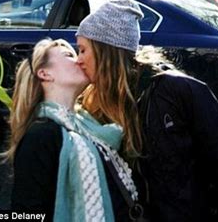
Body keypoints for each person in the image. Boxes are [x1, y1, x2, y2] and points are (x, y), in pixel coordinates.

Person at [77, 0, 218, 222]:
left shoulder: (180, 92)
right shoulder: (94, 102)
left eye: (82, 50)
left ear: (105, 51)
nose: (78, 59)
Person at [7, 38, 144, 221]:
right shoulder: (40, 135)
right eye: (69, 55)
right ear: (45, 73)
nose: (79, 60)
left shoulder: (90, 126)